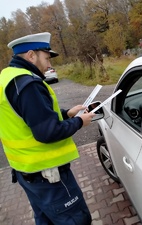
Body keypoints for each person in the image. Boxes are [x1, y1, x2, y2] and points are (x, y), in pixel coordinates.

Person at [0, 32, 95, 225]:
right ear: (31, 55)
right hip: (49, 177)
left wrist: (67, 113)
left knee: (46, 220)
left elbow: (30, 116)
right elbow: (47, 132)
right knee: (76, 220)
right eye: (47, 57)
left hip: (27, 173)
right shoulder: (28, 84)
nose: (50, 64)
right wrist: (79, 122)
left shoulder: (7, 77)